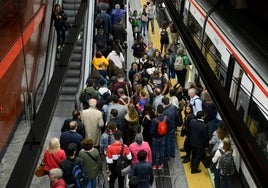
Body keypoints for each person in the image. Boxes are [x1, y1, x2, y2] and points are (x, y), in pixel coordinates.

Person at [150, 104, 168, 169]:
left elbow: (151, 131)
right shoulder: (166, 118)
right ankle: (160, 164)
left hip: (155, 138)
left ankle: (154, 165)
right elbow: (169, 127)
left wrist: (153, 136)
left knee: (154, 151)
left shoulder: (154, 120)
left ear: (157, 111)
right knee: (161, 150)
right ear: (163, 111)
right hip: (163, 137)